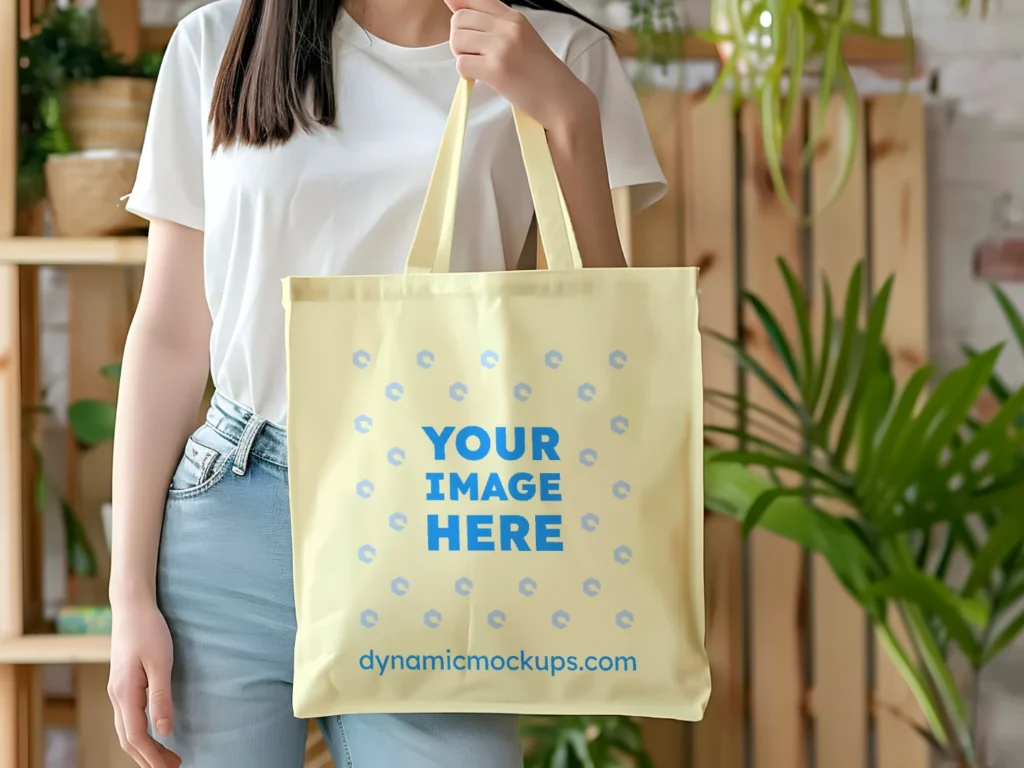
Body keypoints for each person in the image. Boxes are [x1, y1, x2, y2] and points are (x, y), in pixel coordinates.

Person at [107, 0, 665, 763]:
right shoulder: (219, 42)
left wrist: (566, 115)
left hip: (443, 512)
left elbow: (609, 342)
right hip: (233, 513)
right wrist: (129, 596)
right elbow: (170, 334)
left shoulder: (561, 52)